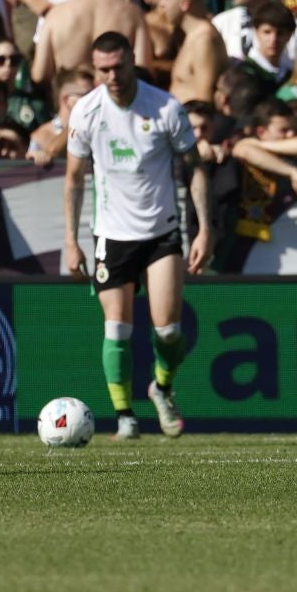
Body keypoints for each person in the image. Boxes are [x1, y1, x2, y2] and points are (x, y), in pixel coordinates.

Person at [62, 30, 213, 440]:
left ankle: (161, 388)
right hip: (111, 235)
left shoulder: (164, 107)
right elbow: (74, 178)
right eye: (103, 69)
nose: (111, 75)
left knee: (168, 332)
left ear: (132, 60)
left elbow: (194, 167)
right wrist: (71, 239)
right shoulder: (86, 112)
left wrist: (203, 228)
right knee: (117, 329)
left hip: (162, 232)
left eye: (118, 66)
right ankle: (125, 415)